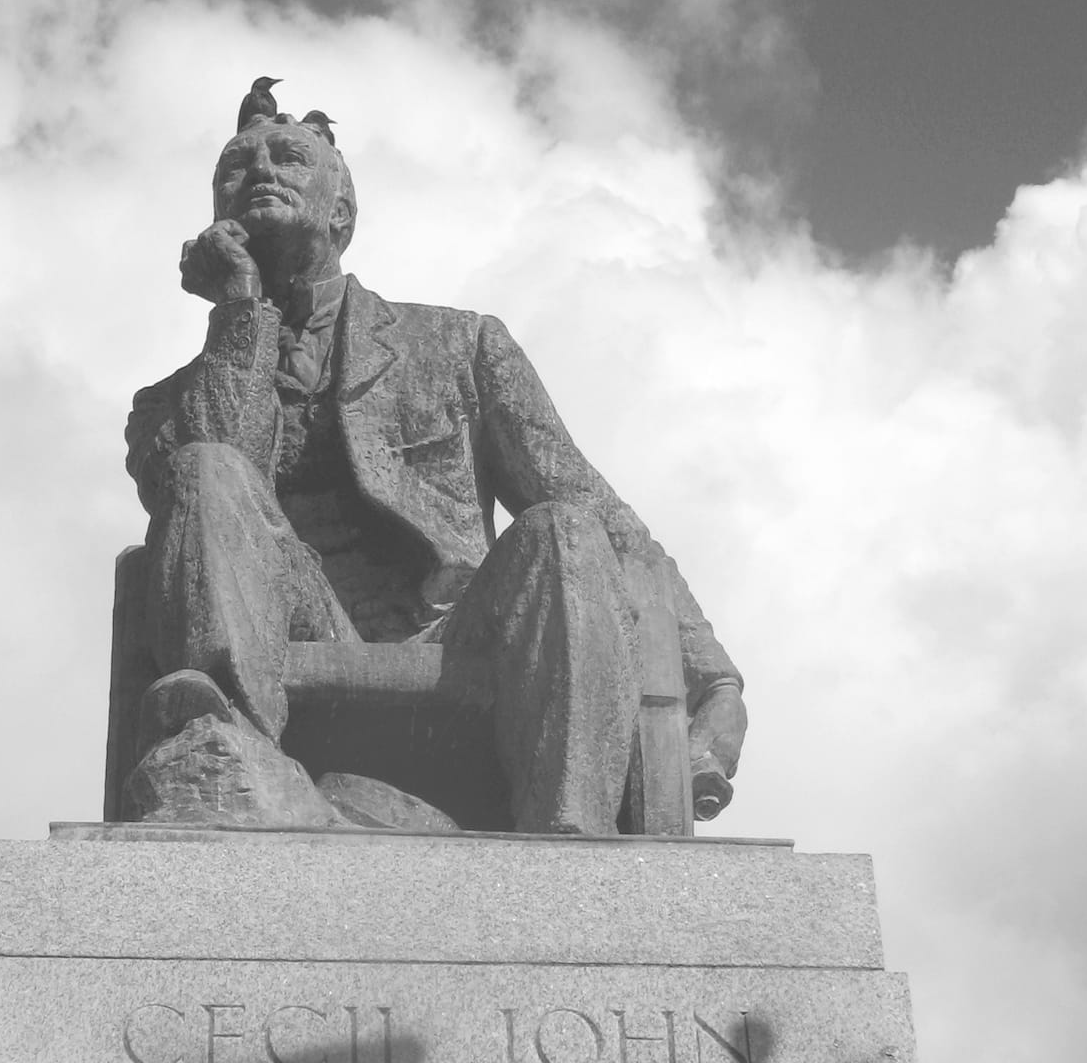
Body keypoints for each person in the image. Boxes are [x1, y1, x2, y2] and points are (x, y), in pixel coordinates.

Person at [125, 107, 747, 836]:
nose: (259, 170)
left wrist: (715, 677)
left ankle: (571, 842)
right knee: (204, 467)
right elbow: (210, 508)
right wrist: (240, 315)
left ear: (343, 210)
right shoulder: (167, 407)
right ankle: (229, 746)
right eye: (236, 165)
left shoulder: (458, 345)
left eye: (289, 157)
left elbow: (589, 504)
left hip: (455, 631)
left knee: (564, 534)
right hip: (292, 622)